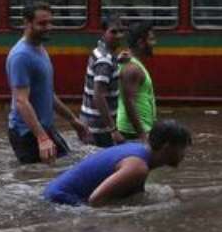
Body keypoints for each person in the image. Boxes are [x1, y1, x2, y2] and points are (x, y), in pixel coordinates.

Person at [6, 1, 91, 164]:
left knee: (66, 166)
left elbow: (47, 94)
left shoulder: (39, 48)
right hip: (27, 133)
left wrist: (73, 120)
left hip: (44, 128)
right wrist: (42, 137)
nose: (48, 27)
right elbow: (21, 101)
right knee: (38, 180)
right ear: (27, 23)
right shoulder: (21, 56)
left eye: (50, 22)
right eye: (42, 24)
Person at [43, 119, 192, 207]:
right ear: (167, 148)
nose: (184, 154)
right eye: (182, 148)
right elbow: (95, 200)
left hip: (55, 193)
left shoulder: (140, 152)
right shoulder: (138, 167)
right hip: (60, 200)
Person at [79, 14, 127, 148]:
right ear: (103, 33)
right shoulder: (105, 60)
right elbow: (98, 96)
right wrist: (113, 130)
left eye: (121, 31)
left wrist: (117, 60)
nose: (118, 35)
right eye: (113, 32)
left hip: (90, 124)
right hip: (98, 129)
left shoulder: (100, 52)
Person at [117, 20, 157, 142]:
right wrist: (142, 134)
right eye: (151, 40)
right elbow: (128, 102)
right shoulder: (132, 68)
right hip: (132, 132)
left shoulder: (132, 63)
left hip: (138, 129)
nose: (154, 43)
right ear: (140, 43)